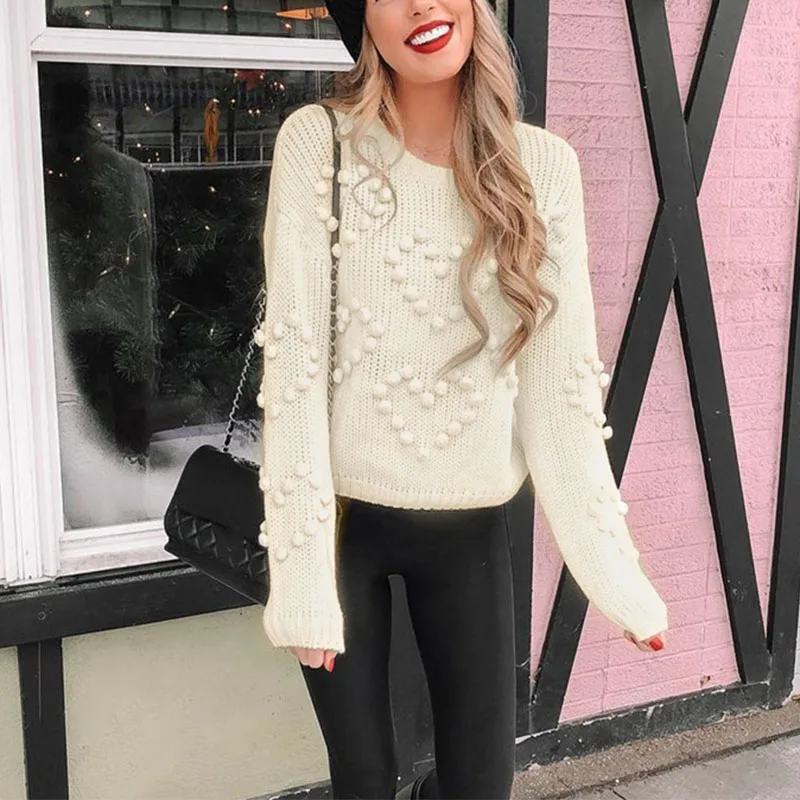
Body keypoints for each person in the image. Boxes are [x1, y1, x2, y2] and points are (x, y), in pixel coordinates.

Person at [255, 1, 669, 798]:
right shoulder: (320, 144)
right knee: (364, 779)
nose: (420, 6)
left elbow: (560, 388)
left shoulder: (540, 166)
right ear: (362, 23)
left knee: (482, 784)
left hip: (471, 526)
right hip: (341, 526)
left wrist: (612, 570)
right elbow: (295, 367)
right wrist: (301, 579)